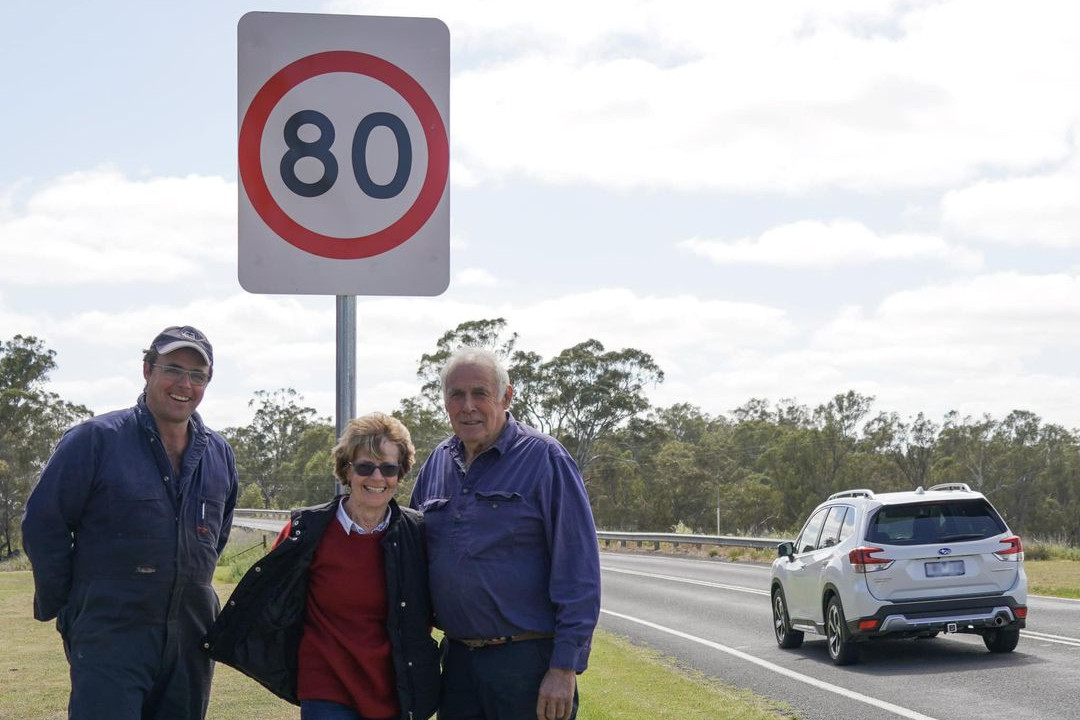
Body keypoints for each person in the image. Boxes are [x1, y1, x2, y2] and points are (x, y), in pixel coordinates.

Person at [21, 325, 239, 720]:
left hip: (190, 636)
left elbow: (216, 535)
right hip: (111, 633)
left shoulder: (219, 453)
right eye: (173, 369)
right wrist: (74, 606)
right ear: (147, 370)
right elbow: (43, 523)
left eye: (197, 376)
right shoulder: (94, 440)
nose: (184, 384)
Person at [204, 412, 440, 720]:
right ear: (347, 470)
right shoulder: (308, 529)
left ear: (401, 472)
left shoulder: (417, 533)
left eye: (389, 468)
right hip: (325, 686)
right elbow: (274, 597)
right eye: (365, 467)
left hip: (394, 687)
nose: (377, 478)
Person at [409, 347, 602, 720]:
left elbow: (578, 570)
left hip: (527, 665)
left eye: (480, 393)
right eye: (456, 395)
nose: (467, 406)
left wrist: (564, 667)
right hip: (459, 664)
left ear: (506, 396)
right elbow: (413, 559)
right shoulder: (437, 463)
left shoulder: (546, 459)